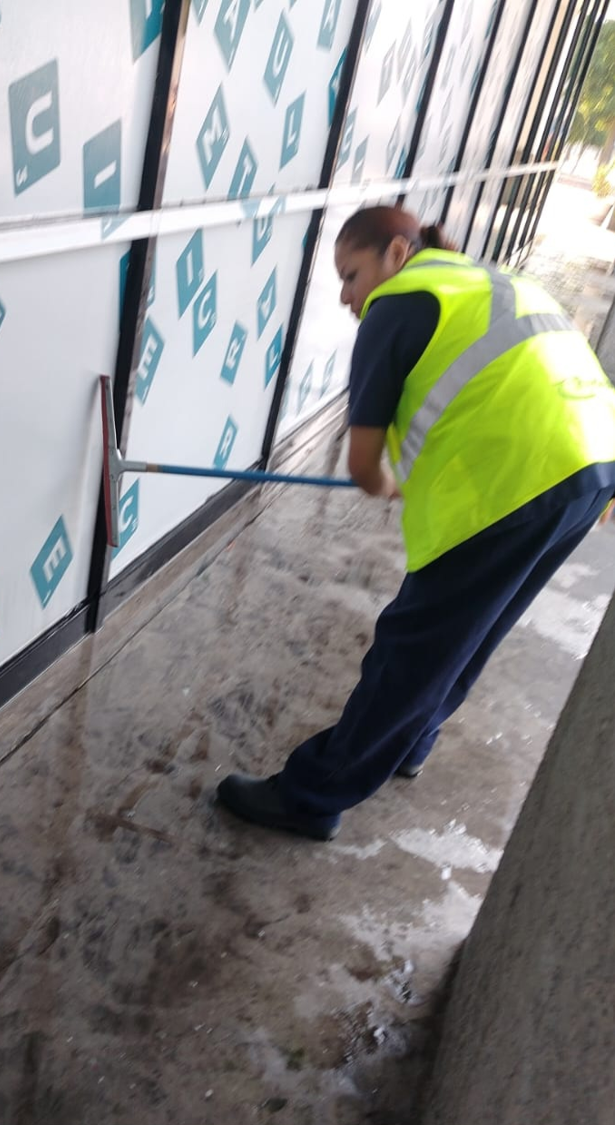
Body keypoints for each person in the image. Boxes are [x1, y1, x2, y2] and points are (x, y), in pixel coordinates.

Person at [216, 204, 615, 841]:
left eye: (351, 275)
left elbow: (364, 463)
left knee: (413, 648)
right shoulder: (488, 282)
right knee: (474, 630)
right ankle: (411, 741)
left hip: (513, 483)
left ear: (397, 253)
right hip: (592, 463)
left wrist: (387, 484)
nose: (346, 296)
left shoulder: (397, 305)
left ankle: (313, 796)